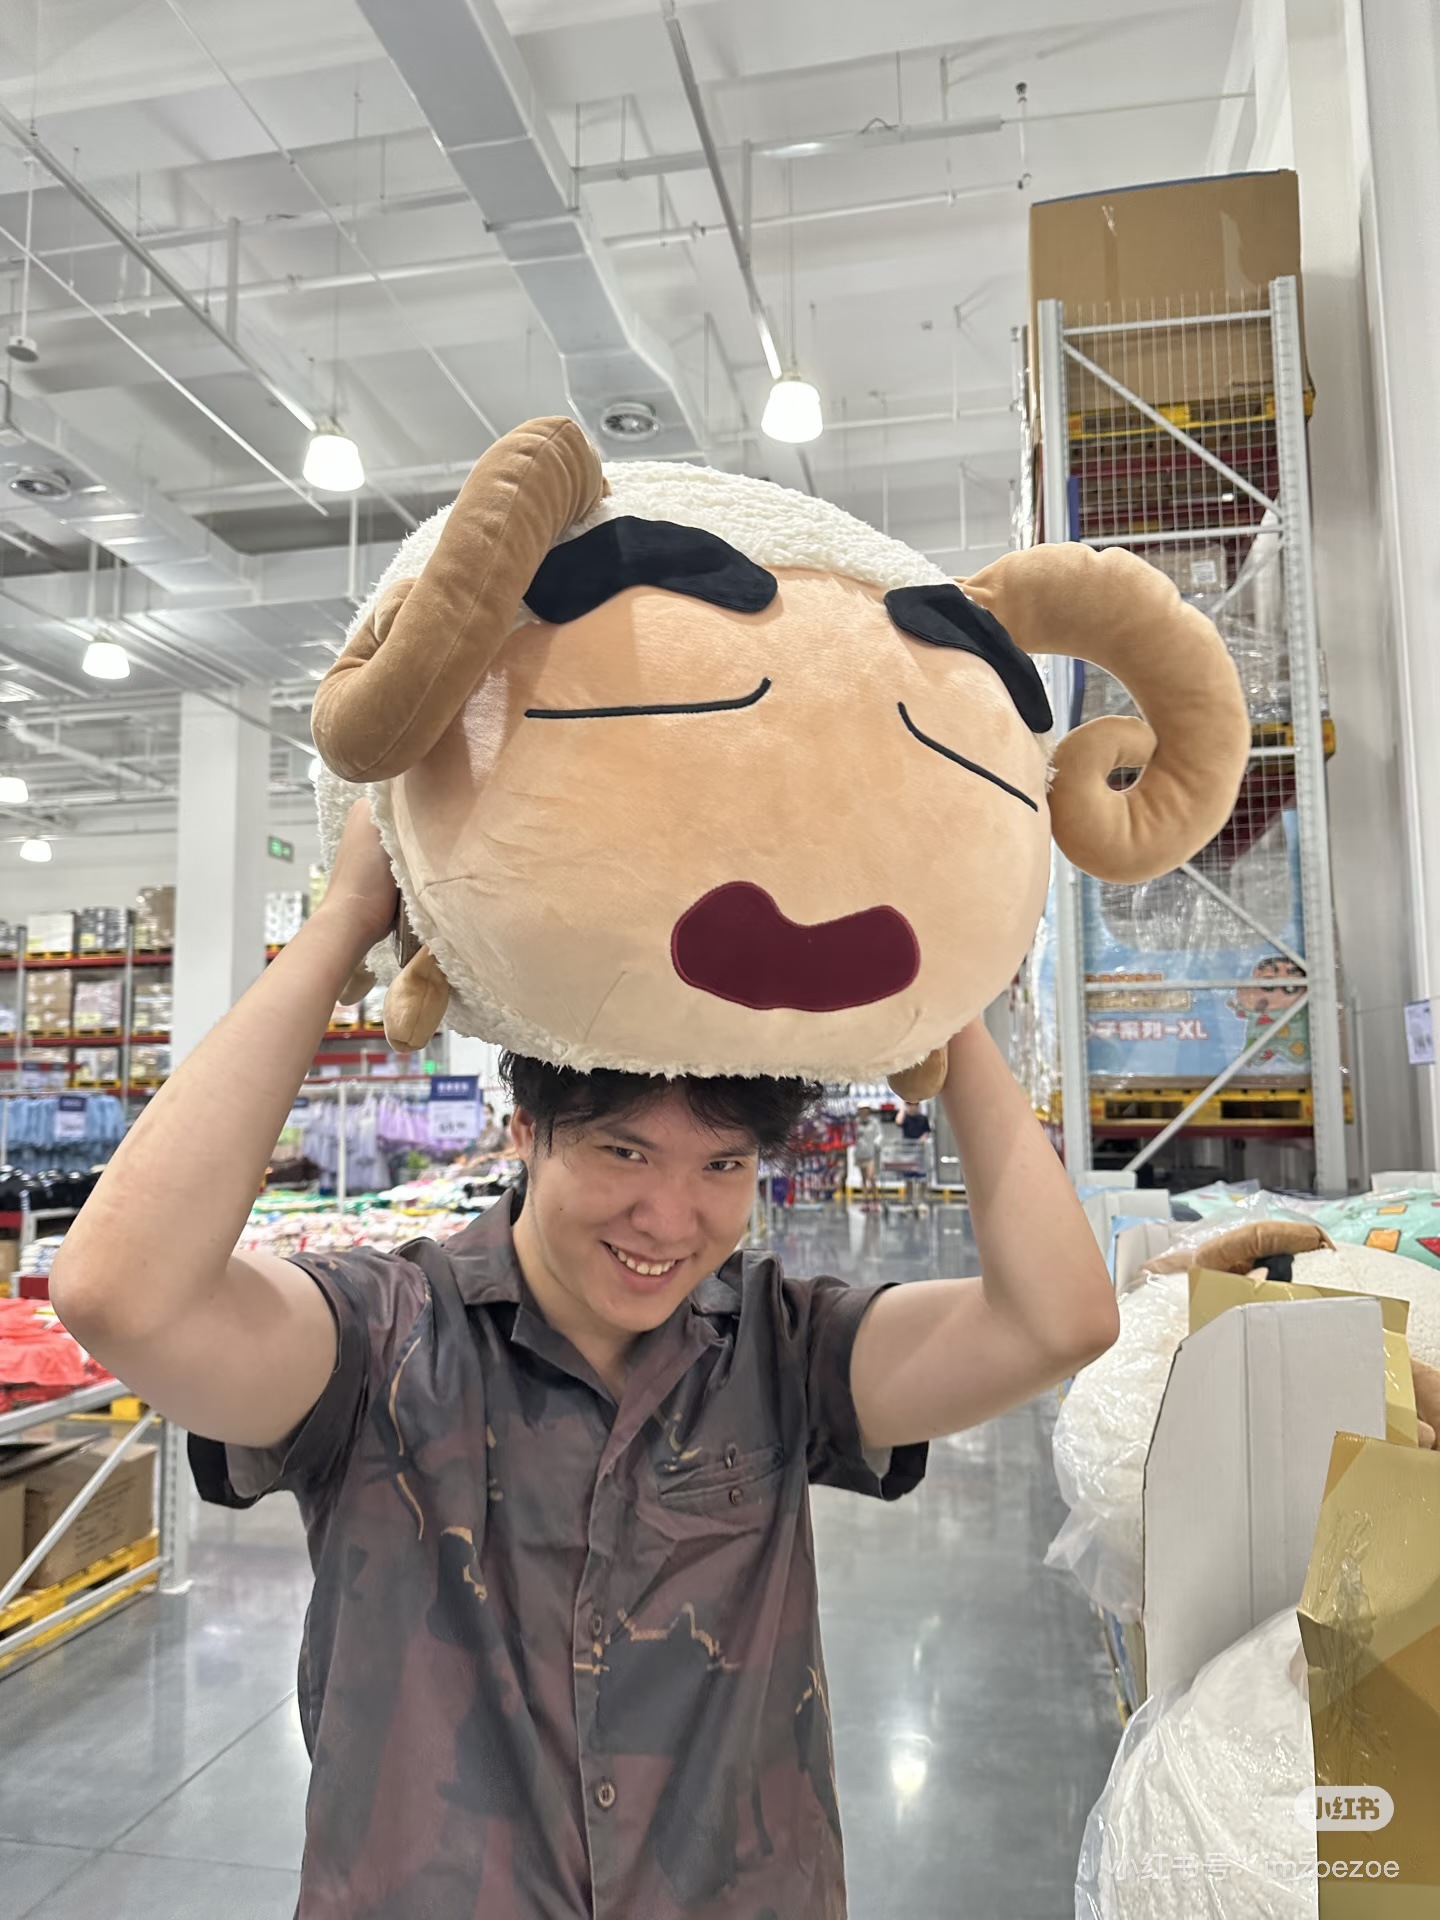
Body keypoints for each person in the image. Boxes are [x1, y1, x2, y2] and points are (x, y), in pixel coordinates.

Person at [49, 804, 1120, 1920]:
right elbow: (124, 1295)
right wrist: (343, 926)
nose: (670, 1217)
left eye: (722, 1165)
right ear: (525, 1131)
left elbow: (1057, 1322)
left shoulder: (781, 1349)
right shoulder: (379, 1341)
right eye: (623, 1151)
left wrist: (945, 993)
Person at [852, 1102, 884, 1211]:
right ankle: (865, 1201)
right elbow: (852, 1135)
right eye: (861, 1109)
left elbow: (879, 1134)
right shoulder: (856, 1122)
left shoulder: (874, 1122)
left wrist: (877, 1143)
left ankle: (876, 1200)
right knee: (864, 1178)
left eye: (865, 1109)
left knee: (871, 1177)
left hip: (871, 1153)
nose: (864, 1111)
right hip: (860, 1153)